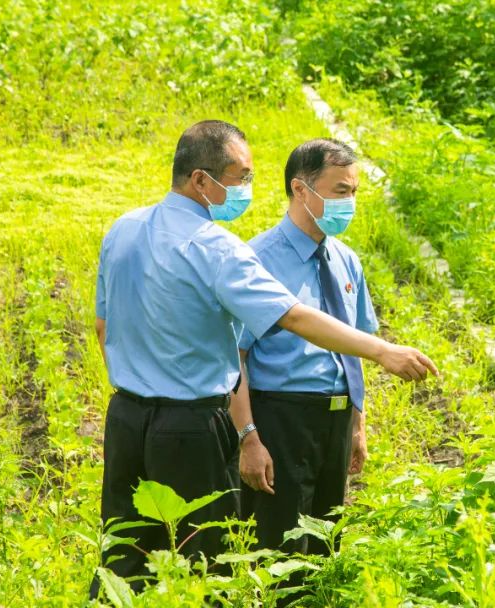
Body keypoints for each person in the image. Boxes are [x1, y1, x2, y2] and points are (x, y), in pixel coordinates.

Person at [90, 121, 437, 597]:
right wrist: (382, 351)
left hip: (126, 417)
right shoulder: (218, 248)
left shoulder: (123, 230)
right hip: (191, 425)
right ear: (200, 180)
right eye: (240, 178)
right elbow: (292, 317)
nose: (247, 190)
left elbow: (103, 327)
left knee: (125, 554)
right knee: (205, 562)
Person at [232, 138, 377, 595]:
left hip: (334, 420)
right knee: (280, 552)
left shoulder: (346, 260)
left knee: (326, 544)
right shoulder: (256, 260)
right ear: (301, 189)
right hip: (281, 417)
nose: (348, 203)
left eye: (353, 192)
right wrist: (248, 437)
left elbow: (354, 348)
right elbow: (234, 356)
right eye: (339, 191)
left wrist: (357, 422)